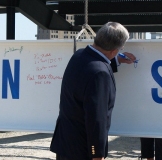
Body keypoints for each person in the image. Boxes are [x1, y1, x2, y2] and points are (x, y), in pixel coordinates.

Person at [50, 22, 136, 160]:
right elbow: (96, 119)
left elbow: (91, 65)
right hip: (82, 150)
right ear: (114, 51)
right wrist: (97, 154)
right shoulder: (99, 74)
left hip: (65, 142)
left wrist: (117, 59)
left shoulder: (78, 56)